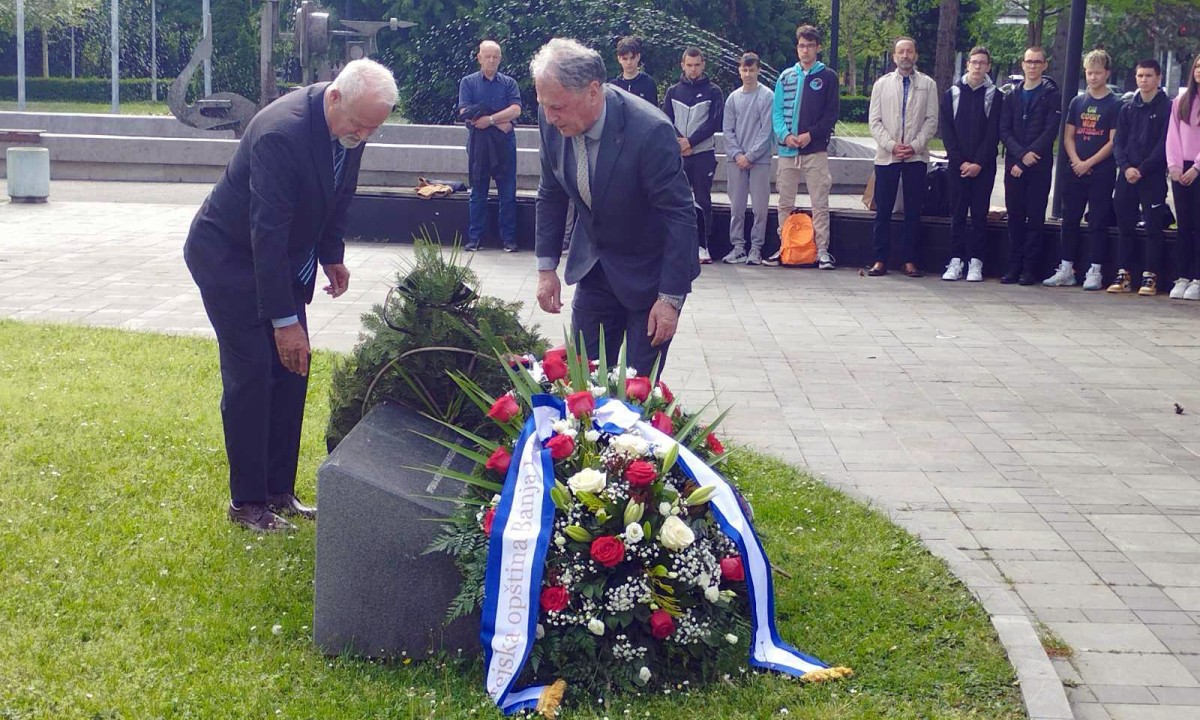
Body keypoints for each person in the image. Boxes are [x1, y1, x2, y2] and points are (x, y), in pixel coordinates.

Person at [183, 59, 398, 532]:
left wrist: (332, 255)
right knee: (253, 373)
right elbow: (267, 232)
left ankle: (279, 491)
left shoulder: (350, 122)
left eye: (372, 128)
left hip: (279, 259)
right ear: (335, 97)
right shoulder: (282, 134)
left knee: (292, 370)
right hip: (230, 258)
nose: (363, 135)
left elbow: (339, 191)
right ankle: (247, 503)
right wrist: (284, 323)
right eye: (359, 125)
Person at [531, 38, 699, 375]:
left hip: (649, 278)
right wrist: (546, 268)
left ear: (593, 92)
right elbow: (550, 193)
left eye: (558, 107)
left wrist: (670, 299)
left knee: (636, 391)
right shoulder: (550, 117)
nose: (549, 117)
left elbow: (680, 216)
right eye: (544, 105)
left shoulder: (649, 131)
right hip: (594, 268)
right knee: (582, 382)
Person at [1043, 49, 1121, 291]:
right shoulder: (1077, 102)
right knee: (1069, 219)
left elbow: (1112, 141)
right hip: (1075, 170)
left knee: (1098, 220)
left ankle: (1095, 269)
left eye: (1097, 73)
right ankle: (1066, 268)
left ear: (1107, 73)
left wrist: (1089, 163)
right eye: (1089, 73)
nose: (1093, 77)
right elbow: (1068, 136)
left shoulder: (1115, 104)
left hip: (1101, 171)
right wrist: (1077, 161)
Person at [766, 24, 840, 269]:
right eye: (801, 46)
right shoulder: (786, 76)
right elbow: (777, 112)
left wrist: (811, 135)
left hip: (814, 150)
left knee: (819, 202)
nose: (805, 50)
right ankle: (785, 247)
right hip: (788, 151)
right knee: (784, 203)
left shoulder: (827, 76)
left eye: (809, 46)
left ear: (817, 48)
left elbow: (831, 115)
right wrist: (785, 135)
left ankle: (822, 250)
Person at [867, 37, 939, 277]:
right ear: (894, 56)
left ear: (915, 55)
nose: (905, 55)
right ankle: (880, 259)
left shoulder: (928, 84)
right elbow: (874, 121)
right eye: (901, 52)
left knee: (913, 211)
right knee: (883, 210)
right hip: (887, 157)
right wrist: (891, 146)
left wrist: (915, 146)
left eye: (909, 51)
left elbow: (931, 120)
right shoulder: (881, 84)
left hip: (915, 157)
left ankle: (909, 260)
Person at [940, 46, 1003, 283]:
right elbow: (947, 131)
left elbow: (993, 133)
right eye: (974, 62)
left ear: (988, 66)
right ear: (967, 64)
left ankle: (976, 262)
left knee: (979, 215)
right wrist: (959, 161)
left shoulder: (995, 96)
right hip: (957, 167)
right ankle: (955, 260)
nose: (977, 66)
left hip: (983, 167)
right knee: (957, 214)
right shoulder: (953, 93)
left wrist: (978, 163)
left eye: (982, 63)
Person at [998, 46, 1061, 285]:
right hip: (1014, 164)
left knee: (1035, 217)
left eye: (1037, 62)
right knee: (1015, 216)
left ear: (1045, 65)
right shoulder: (1012, 95)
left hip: (1038, 165)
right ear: (1022, 64)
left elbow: (1050, 130)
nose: (1032, 66)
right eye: (1029, 61)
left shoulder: (1051, 95)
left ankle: (1029, 268)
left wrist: (1029, 157)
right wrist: (1020, 156)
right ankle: (1014, 265)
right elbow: (1004, 129)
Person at [1110, 59, 1171, 296]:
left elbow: (1164, 144)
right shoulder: (1127, 108)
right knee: (1125, 225)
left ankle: (1151, 275)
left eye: (1148, 76)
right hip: (1126, 176)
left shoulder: (1167, 108)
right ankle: (1124, 273)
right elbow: (1118, 142)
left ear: (1158, 78)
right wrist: (1126, 167)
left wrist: (1142, 169)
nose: (1143, 80)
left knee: (1153, 227)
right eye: (1140, 76)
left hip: (1152, 176)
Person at [457, 40, 522, 252]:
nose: (492, 60)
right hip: (479, 143)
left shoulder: (509, 83)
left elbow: (516, 110)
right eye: (488, 56)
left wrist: (490, 119)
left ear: (500, 59)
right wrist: (499, 119)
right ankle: (475, 238)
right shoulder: (468, 82)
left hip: (504, 144)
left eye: (495, 57)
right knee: (478, 192)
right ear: (479, 58)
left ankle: (509, 239)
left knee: (508, 193)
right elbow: (465, 113)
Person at [664, 47, 723, 265]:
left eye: (697, 65)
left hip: (702, 154)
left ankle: (703, 246)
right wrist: (680, 143)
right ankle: (677, 245)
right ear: (683, 65)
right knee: (675, 200)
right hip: (679, 155)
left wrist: (690, 142)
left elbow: (714, 122)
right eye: (689, 65)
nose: (693, 69)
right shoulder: (673, 91)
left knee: (702, 200)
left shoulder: (714, 91)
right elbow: (665, 120)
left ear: (703, 65)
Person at [721, 52, 775, 265]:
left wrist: (751, 155)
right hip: (736, 161)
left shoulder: (767, 96)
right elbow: (727, 130)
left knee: (760, 207)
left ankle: (756, 248)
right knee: (737, 207)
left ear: (758, 70)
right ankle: (738, 247)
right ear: (739, 71)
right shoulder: (733, 98)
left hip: (759, 160)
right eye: (744, 70)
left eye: (752, 70)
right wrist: (737, 155)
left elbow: (767, 130)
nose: (748, 74)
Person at [1167, 53, 1200, 301]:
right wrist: (1175, 167)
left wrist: (1196, 168)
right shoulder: (1181, 101)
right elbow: (1173, 135)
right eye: (1197, 66)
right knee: (1184, 226)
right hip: (1181, 169)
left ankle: (1197, 277)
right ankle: (1183, 276)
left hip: (1198, 169)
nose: (1199, 71)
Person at [610, 36, 658, 106]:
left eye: (632, 58)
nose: (629, 62)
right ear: (619, 59)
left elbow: (653, 111)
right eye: (625, 59)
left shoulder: (648, 83)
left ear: (638, 57)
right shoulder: (614, 86)